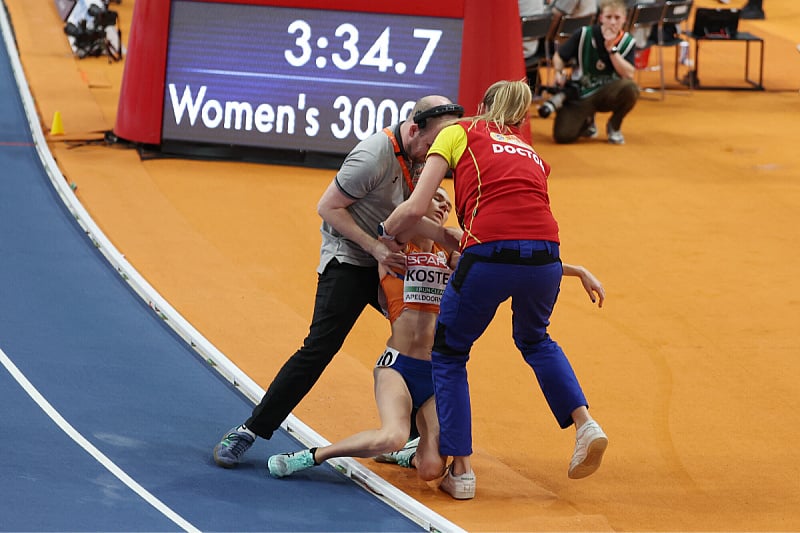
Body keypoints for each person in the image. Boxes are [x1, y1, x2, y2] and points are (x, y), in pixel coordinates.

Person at [380, 79, 609, 500]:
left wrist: (383, 233)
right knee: (536, 340)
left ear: (481, 105)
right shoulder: (534, 155)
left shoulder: (459, 131)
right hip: (545, 256)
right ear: (521, 116)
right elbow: (526, 228)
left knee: (448, 354)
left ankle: (462, 472)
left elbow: (415, 206)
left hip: (487, 255)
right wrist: (571, 269)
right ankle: (584, 423)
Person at [212, 95, 465, 469]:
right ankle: (249, 430)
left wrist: (448, 235)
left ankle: (408, 439)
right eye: (431, 145)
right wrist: (376, 250)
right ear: (414, 129)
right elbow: (328, 207)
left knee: (429, 336)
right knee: (320, 347)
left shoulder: (421, 159)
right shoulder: (373, 155)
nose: (435, 155)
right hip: (350, 258)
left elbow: (402, 217)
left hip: (389, 258)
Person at [266, 188, 459, 482]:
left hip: (436, 371)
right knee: (393, 434)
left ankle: (403, 453)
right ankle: (314, 455)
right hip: (399, 366)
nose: (444, 205)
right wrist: (428, 213)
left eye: (448, 204)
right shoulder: (393, 245)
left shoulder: (451, 253)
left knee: (431, 469)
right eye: (436, 197)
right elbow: (401, 220)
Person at [549, 0, 638, 144]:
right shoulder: (584, 34)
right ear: (601, 18)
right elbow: (559, 56)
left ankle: (614, 126)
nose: (613, 22)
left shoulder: (628, 42)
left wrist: (612, 50)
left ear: (624, 19)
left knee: (631, 89)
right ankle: (587, 121)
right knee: (563, 136)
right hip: (582, 92)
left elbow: (629, 74)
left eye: (617, 18)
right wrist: (559, 72)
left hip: (607, 92)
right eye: (609, 17)